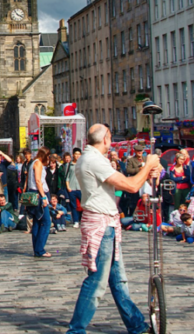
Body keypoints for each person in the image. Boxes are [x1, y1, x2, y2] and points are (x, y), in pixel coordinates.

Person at [66, 124, 160, 334]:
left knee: (118, 281)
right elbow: (132, 186)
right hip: (101, 225)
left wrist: (149, 171)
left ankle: (136, 325)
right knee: (97, 281)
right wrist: (148, 165)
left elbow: (124, 183)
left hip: (106, 222)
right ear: (107, 139)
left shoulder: (91, 158)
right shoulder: (93, 160)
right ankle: (76, 330)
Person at [26, 147, 52, 258]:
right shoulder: (38, 164)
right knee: (46, 222)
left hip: (33, 192)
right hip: (38, 193)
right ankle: (40, 249)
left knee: (37, 221)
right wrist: (44, 197)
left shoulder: (33, 163)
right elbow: (38, 180)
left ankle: (37, 249)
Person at [123, 145, 147, 217]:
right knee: (134, 201)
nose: (139, 152)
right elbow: (128, 170)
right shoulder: (131, 160)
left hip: (145, 183)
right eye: (138, 151)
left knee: (144, 201)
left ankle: (144, 216)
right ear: (135, 152)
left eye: (141, 151)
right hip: (136, 182)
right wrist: (138, 169)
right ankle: (132, 216)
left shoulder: (146, 159)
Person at [66, 148, 82, 228]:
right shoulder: (70, 165)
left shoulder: (83, 164)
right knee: (73, 206)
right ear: (73, 155)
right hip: (72, 187)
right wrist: (68, 187)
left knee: (84, 205)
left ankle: (82, 219)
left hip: (81, 188)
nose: (77, 156)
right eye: (76, 154)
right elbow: (67, 177)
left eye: (79, 154)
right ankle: (76, 221)